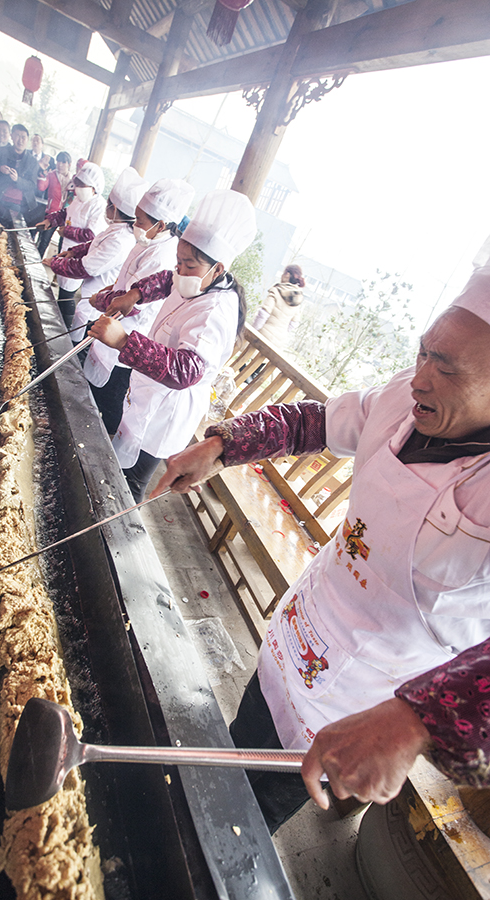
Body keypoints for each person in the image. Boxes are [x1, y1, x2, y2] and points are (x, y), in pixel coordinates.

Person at [150, 264, 490, 831]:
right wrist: (222, 446)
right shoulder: (403, 404)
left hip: (356, 711)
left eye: (446, 367)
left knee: (240, 825)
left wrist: (415, 721)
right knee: (224, 761)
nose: (419, 380)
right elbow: (315, 421)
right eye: (423, 353)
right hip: (298, 637)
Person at [89, 189, 256, 503]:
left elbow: (186, 370)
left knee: (133, 483)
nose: (180, 270)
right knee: (118, 464)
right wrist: (135, 294)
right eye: (179, 261)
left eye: (188, 265)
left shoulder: (215, 311)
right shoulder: (193, 277)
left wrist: (124, 341)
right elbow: (166, 279)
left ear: (218, 269)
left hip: (167, 410)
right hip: (148, 391)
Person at [83, 177, 195, 435]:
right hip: (111, 329)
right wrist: (112, 291)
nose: (135, 225)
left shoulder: (164, 255)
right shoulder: (147, 240)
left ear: (161, 225)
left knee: (107, 407)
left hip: (128, 341)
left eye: (141, 221)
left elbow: (132, 307)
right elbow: (131, 284)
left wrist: (101, 300)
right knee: (90, 395)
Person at [45, 166, 145, 327]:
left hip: (97, 303)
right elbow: (94, 244)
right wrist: (73, 252)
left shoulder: (120, 240)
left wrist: (55, 264)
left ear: (114, 208)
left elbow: (86, 268)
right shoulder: (115, 229)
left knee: (81, 327)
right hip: (90, 295)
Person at [0, 123, 48, 220]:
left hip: (17, 205)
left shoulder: (32, 161)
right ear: (12, 136)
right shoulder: (1, 151)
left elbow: (32, 185)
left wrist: (18, 179)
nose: (20, 140)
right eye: (17, 136)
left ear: (27, 140)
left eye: (23, 137)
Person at [252, 263, 305, 348]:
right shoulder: (297, 298)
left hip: (262, 337)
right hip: (278, 344)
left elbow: (263, 314)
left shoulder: (276, 291)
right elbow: (294, 323)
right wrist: (281, 331)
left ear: (287, 275)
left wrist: (253, 331)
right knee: (261, 362)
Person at [35, 150, 72, 257]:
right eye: (58, 161)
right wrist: (42, 171)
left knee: (63, 246)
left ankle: (58, 268)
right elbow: (41, 187)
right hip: (51, 214)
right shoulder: (51, 174)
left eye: (63, 162)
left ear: (69, 165)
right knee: (44, 242)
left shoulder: (73, 180)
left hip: (66, 217)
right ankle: (34, 265)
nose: (60, 165)